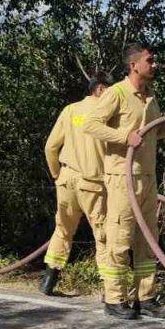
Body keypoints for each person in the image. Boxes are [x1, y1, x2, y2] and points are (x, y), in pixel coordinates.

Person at [83, 43, 165, 320]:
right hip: (122, 179)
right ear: (133, 65)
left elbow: (156, 131)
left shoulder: (149, 98)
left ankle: (145, 298)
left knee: (148, 240)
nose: (155, 64)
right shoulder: (117, 94)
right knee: (119, 239)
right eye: (150, 60)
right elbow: (90, 124)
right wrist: (125, 137)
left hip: (148, 179)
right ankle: (114, 299)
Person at [40, 72, 112, 296]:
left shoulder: (70, 110)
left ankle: (48, 281)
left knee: (62, 230)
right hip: (92, 182)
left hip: (66, 180)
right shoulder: (105, 113)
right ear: (100, 89)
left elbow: (51, 147)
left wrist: (56, 174)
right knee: (103, 235)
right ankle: (111, 292)